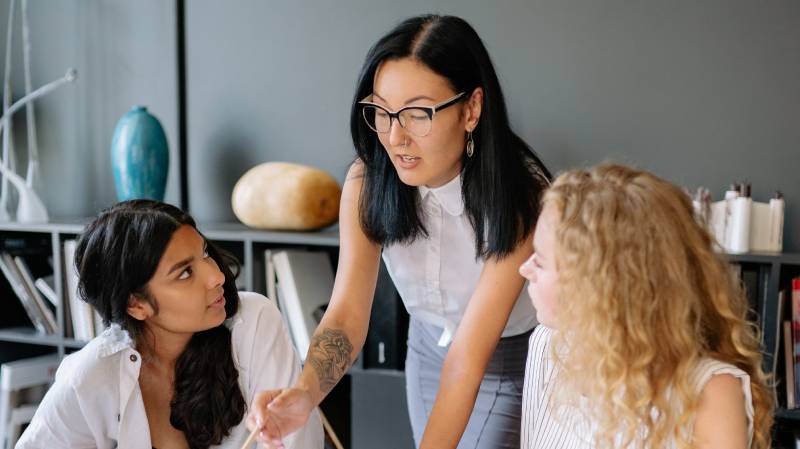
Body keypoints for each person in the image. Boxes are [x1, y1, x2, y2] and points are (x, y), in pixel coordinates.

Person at [249, 14, 550, 449]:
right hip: (425, 350)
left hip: (507, 360)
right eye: (382, 112)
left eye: (417, 114)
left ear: (471, 109)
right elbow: (346, 316)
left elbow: (468, 359)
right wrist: (303, 395)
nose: (395, 137)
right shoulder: (367, 182)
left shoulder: (520, 196)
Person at [16, 199, 323, 449]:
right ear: (136, 304)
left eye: (205, 254)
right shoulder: (91, 376)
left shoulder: (253, 323)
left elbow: (298, 443)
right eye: (185, 273)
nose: (217, 276)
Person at [518, 164, 773, 449]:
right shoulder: (547, 346)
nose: (524, 270)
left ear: (595, 286)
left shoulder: (711, 392)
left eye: (540, 261)